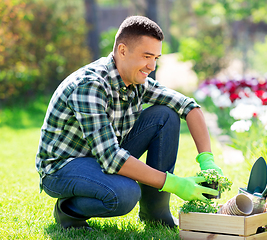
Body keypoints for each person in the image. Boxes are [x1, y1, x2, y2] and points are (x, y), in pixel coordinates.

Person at [35, 15, 224, 230]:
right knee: (125, 194)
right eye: (146, 56)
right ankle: (69, 211)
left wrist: (207, 160)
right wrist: (175, 183)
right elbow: (111, 158)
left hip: (101, 156)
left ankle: (156, 213)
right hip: (63, 167)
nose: (151, 66)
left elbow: (189, 106)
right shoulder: (90, 85)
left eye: (156, 58)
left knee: (166, 115)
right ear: (123, 51)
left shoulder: (136, 81)